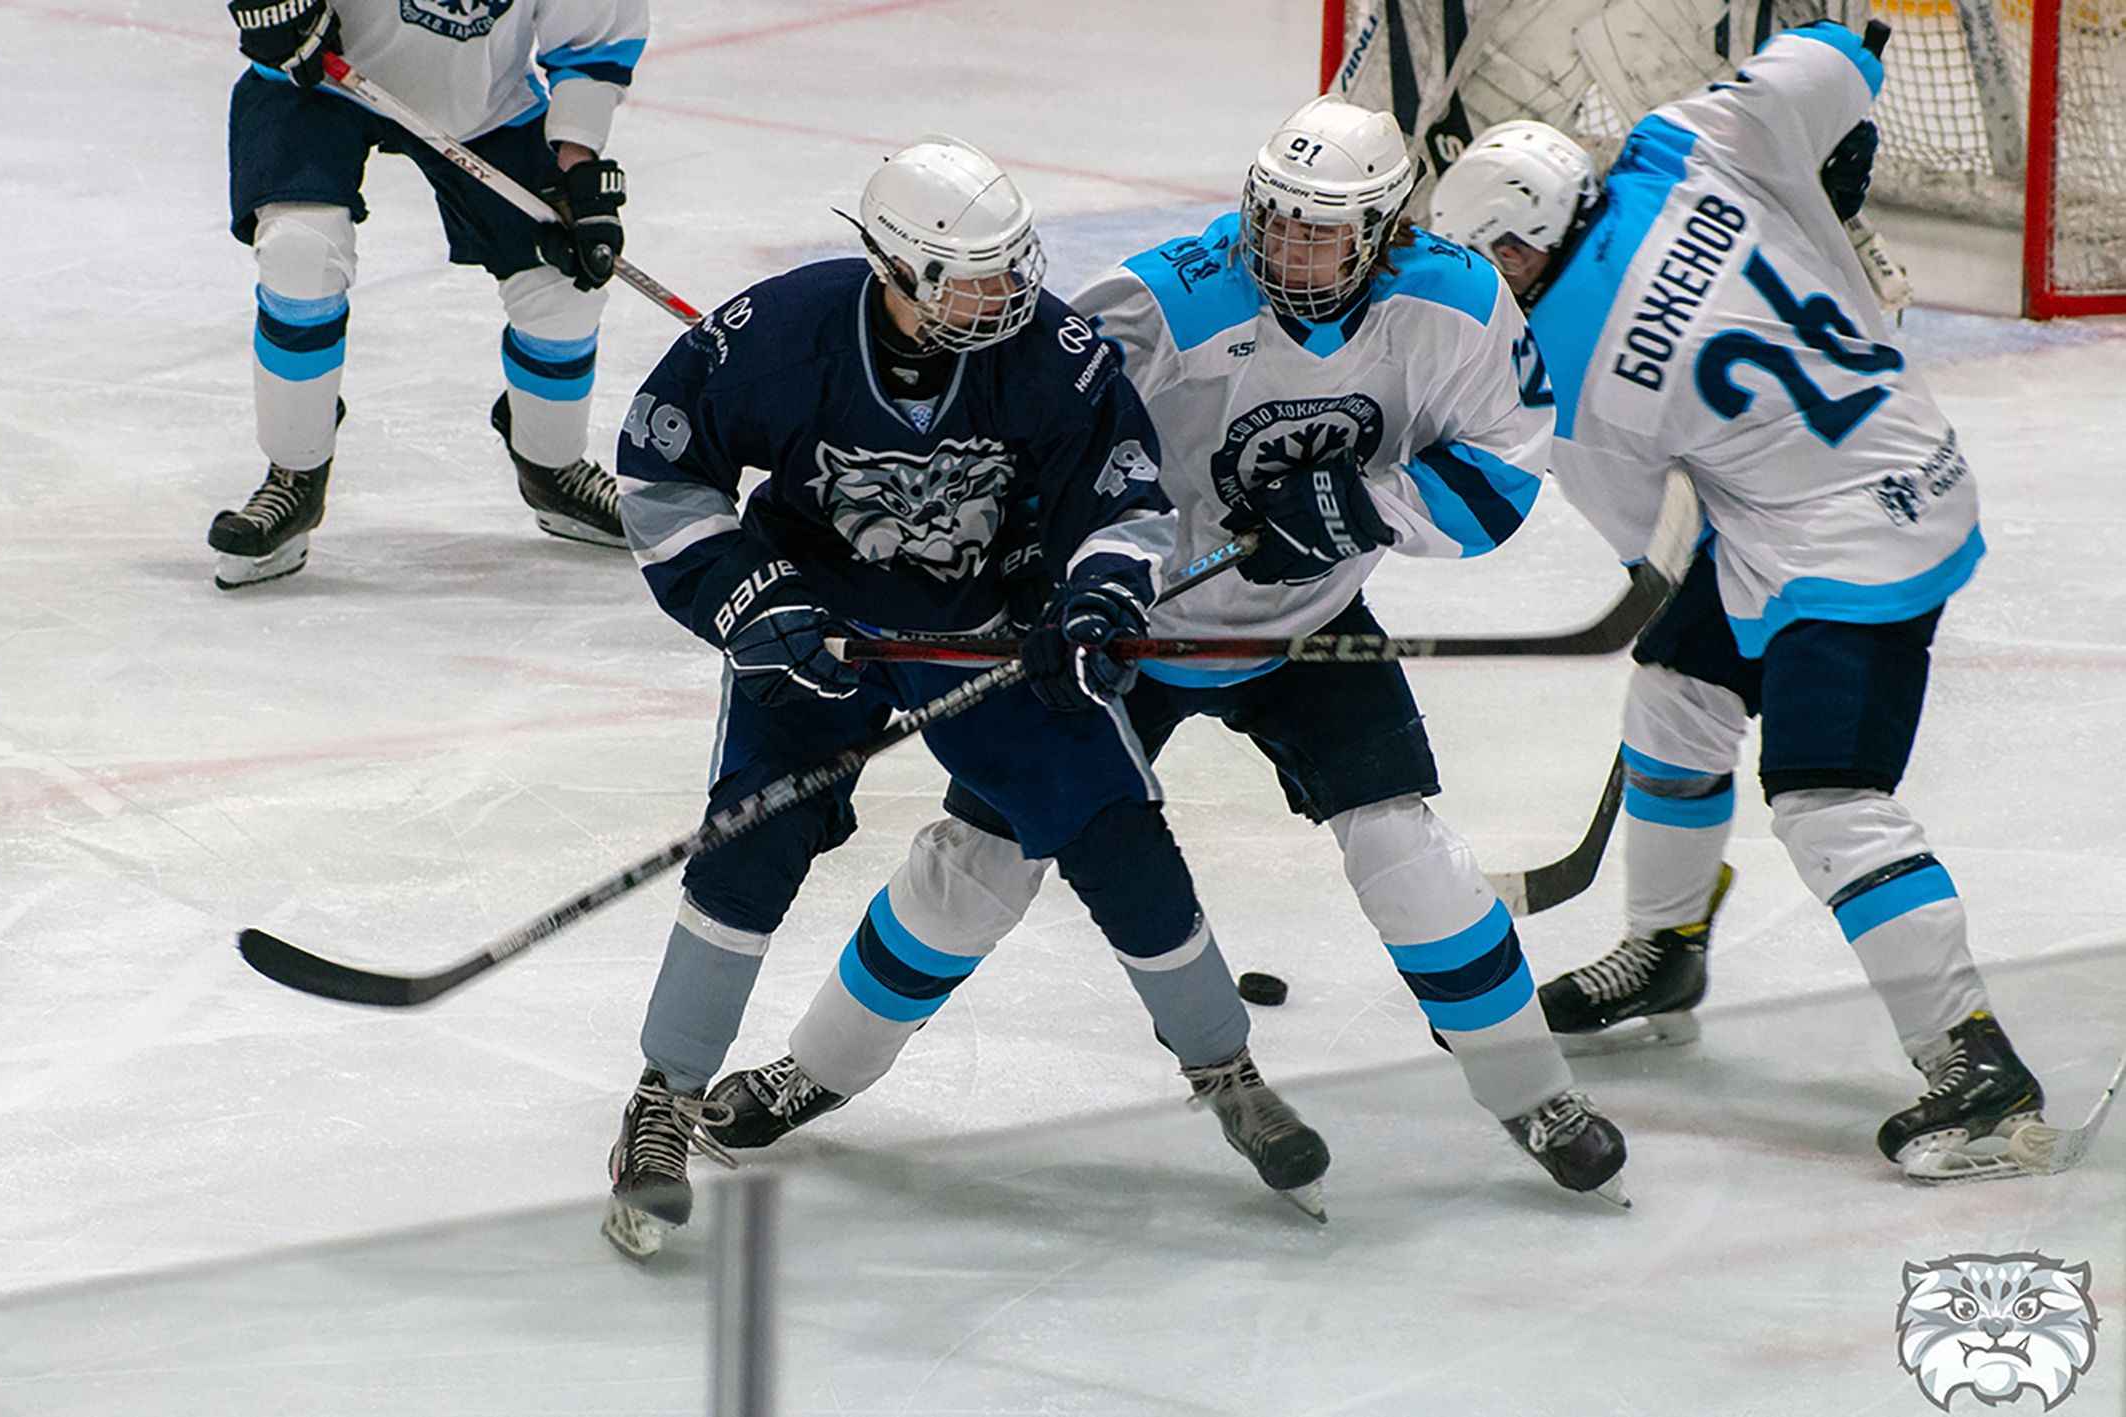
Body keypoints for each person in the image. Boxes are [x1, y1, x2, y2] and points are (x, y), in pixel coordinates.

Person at [701, 96, 1635, 1209]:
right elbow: (1017, 449)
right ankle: (813, 1070)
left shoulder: (1461, 305)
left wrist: (1362, 505)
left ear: (1385, 229)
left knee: (1406, 850)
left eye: (1320, 232)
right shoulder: (1155, 305)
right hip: (1125, 632)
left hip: (1305, 623)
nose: (1287, 250)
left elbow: (1501, 476)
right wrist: (1047, 595)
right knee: (979, 861)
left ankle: (1535, 1091)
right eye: (1275, 221)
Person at [602, 135, 1332, 1258]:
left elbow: (1125, 503)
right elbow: (662, 476)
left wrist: (1097, 598)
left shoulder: (1056, 355)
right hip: (820, 623)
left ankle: (1224, 1068)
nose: (1008, 297)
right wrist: (751, 601)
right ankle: (666, 1094)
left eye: (1011, 269)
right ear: (897, 271)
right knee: (751, 833)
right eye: (974, 280)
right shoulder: (781, 332)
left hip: (994, 627)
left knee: (1117, 832)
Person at [1425, 22, 2045, 1178]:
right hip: (1890, 460)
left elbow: (1655, 545)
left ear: (1524, 241)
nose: (1488, 287)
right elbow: (1838, 52)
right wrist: (1833, 150)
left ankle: (1977, 1064)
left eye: (1491, 262)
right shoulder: (1688, 143)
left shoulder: (1567, 372)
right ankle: (1666, 949)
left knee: (1828, 799)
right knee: (1676, 687)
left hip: (1854, 548)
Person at [210, 0, 646, 589]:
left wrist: (577, 167)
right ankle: (295, 474)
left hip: (482, 103)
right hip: (315, 77)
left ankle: (552, 464)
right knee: (301, 251)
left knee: (563, 283)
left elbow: (593, 41)